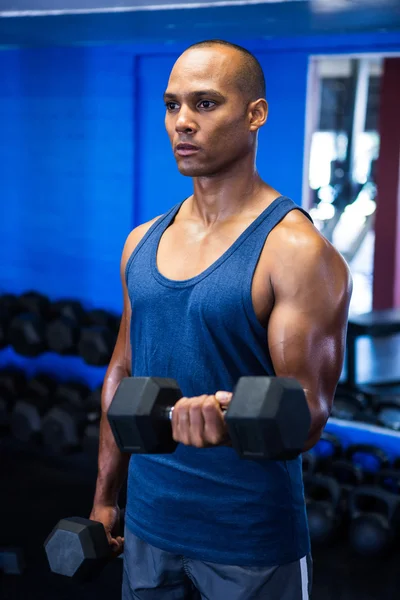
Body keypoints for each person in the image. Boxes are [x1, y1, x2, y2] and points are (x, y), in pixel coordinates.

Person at [89, 39, 352, 599]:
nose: (182, 122)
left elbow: (307, 412)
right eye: (172, 105)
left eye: (205, 104)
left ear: (255, 114)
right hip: (149, 527)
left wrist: (227, 414)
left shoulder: (297, 252)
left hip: (250, 540)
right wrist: (106, 499)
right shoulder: (142, 242)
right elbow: (122, 372)